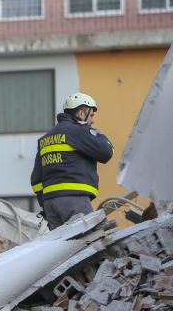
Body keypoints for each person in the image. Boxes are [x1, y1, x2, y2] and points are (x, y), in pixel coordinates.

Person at [30, 93, 114, 229]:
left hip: (50, 205)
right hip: (75, 200)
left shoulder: (45, 139)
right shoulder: (79, 131)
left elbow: (36, 180)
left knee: (63, 248)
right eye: (91, 115)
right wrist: (99, 135)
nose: (92, 121)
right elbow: (106, 153)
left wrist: (45, 202)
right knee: (88, 242)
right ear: (81, 113)